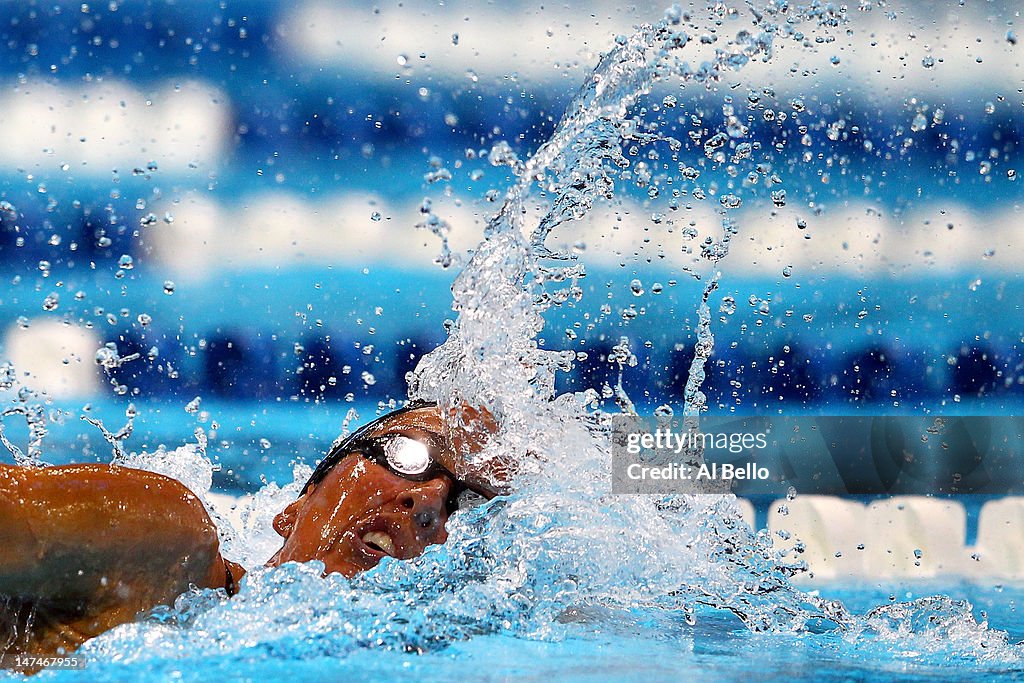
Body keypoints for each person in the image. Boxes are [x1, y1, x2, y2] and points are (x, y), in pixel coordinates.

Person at [0, 400, 503, 662]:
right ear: (297, 504)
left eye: (464, 504)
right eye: (408, 457)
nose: (431, 499)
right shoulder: (162, 540)